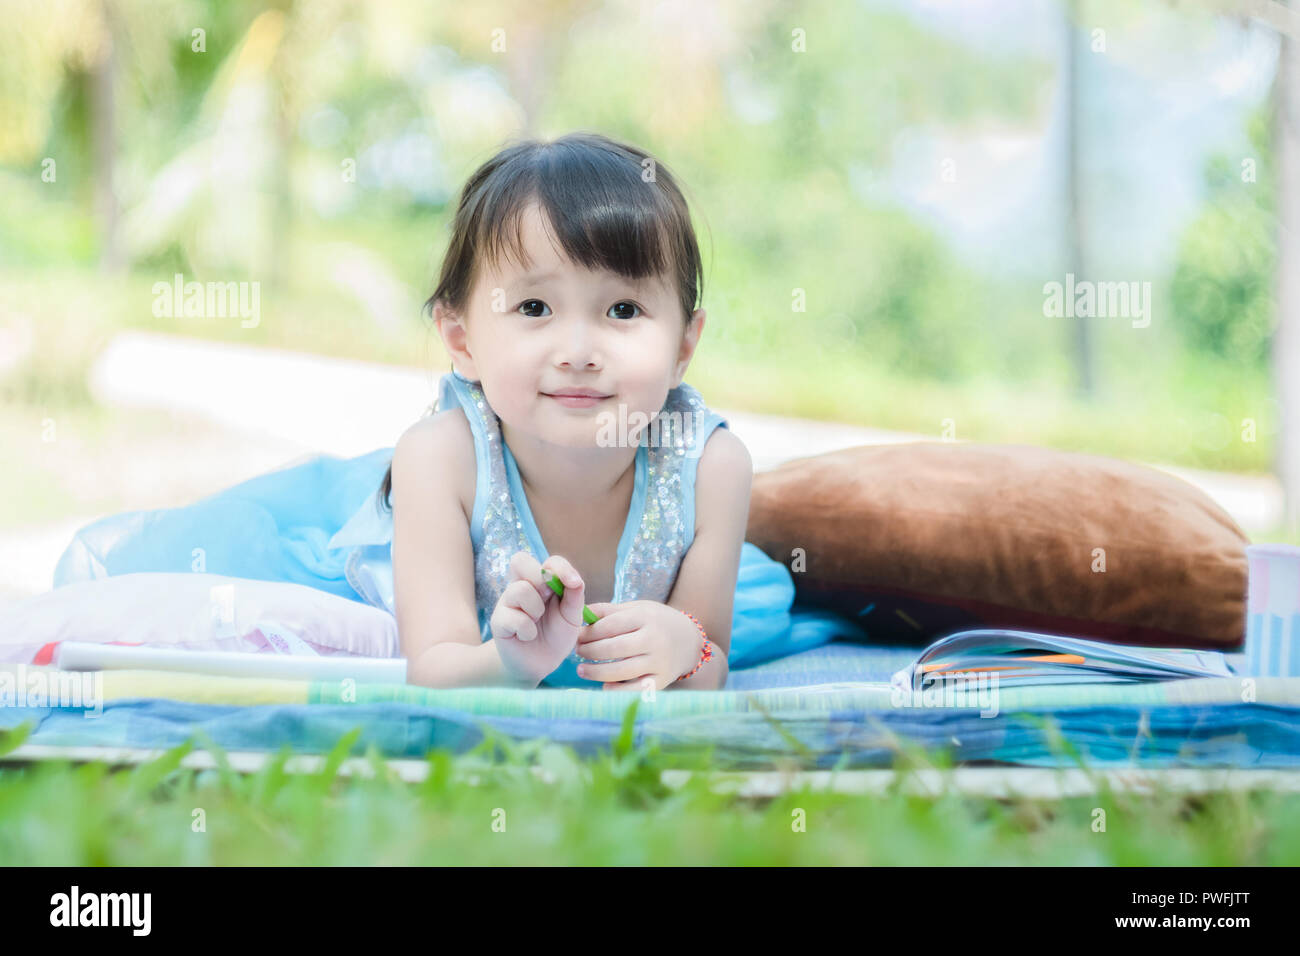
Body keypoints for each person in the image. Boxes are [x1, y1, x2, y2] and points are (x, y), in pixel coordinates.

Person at [54, 131, 824, 691]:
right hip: (404, 578)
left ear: (685, 345)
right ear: (460, 339)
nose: (580, 348)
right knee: (237, 613)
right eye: (533, 307)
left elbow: (709, 656)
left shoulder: (712, 466)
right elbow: (439, 666)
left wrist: (679, 647)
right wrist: (510, 661)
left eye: (624, 309)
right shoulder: (441, 457)